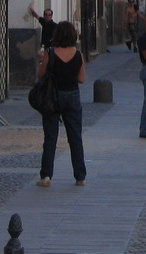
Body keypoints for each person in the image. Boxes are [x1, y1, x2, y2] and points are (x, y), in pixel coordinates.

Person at [36, 21, 87, 187]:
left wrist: (42, 61)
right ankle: (80, 176)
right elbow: (82, 79)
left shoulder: (50, 53)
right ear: (73, 35)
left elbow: (41, 75)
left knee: (50, 136)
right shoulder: (78, 54)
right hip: (72, 95)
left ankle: (46, 176)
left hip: (53, 96)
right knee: (75, 137)